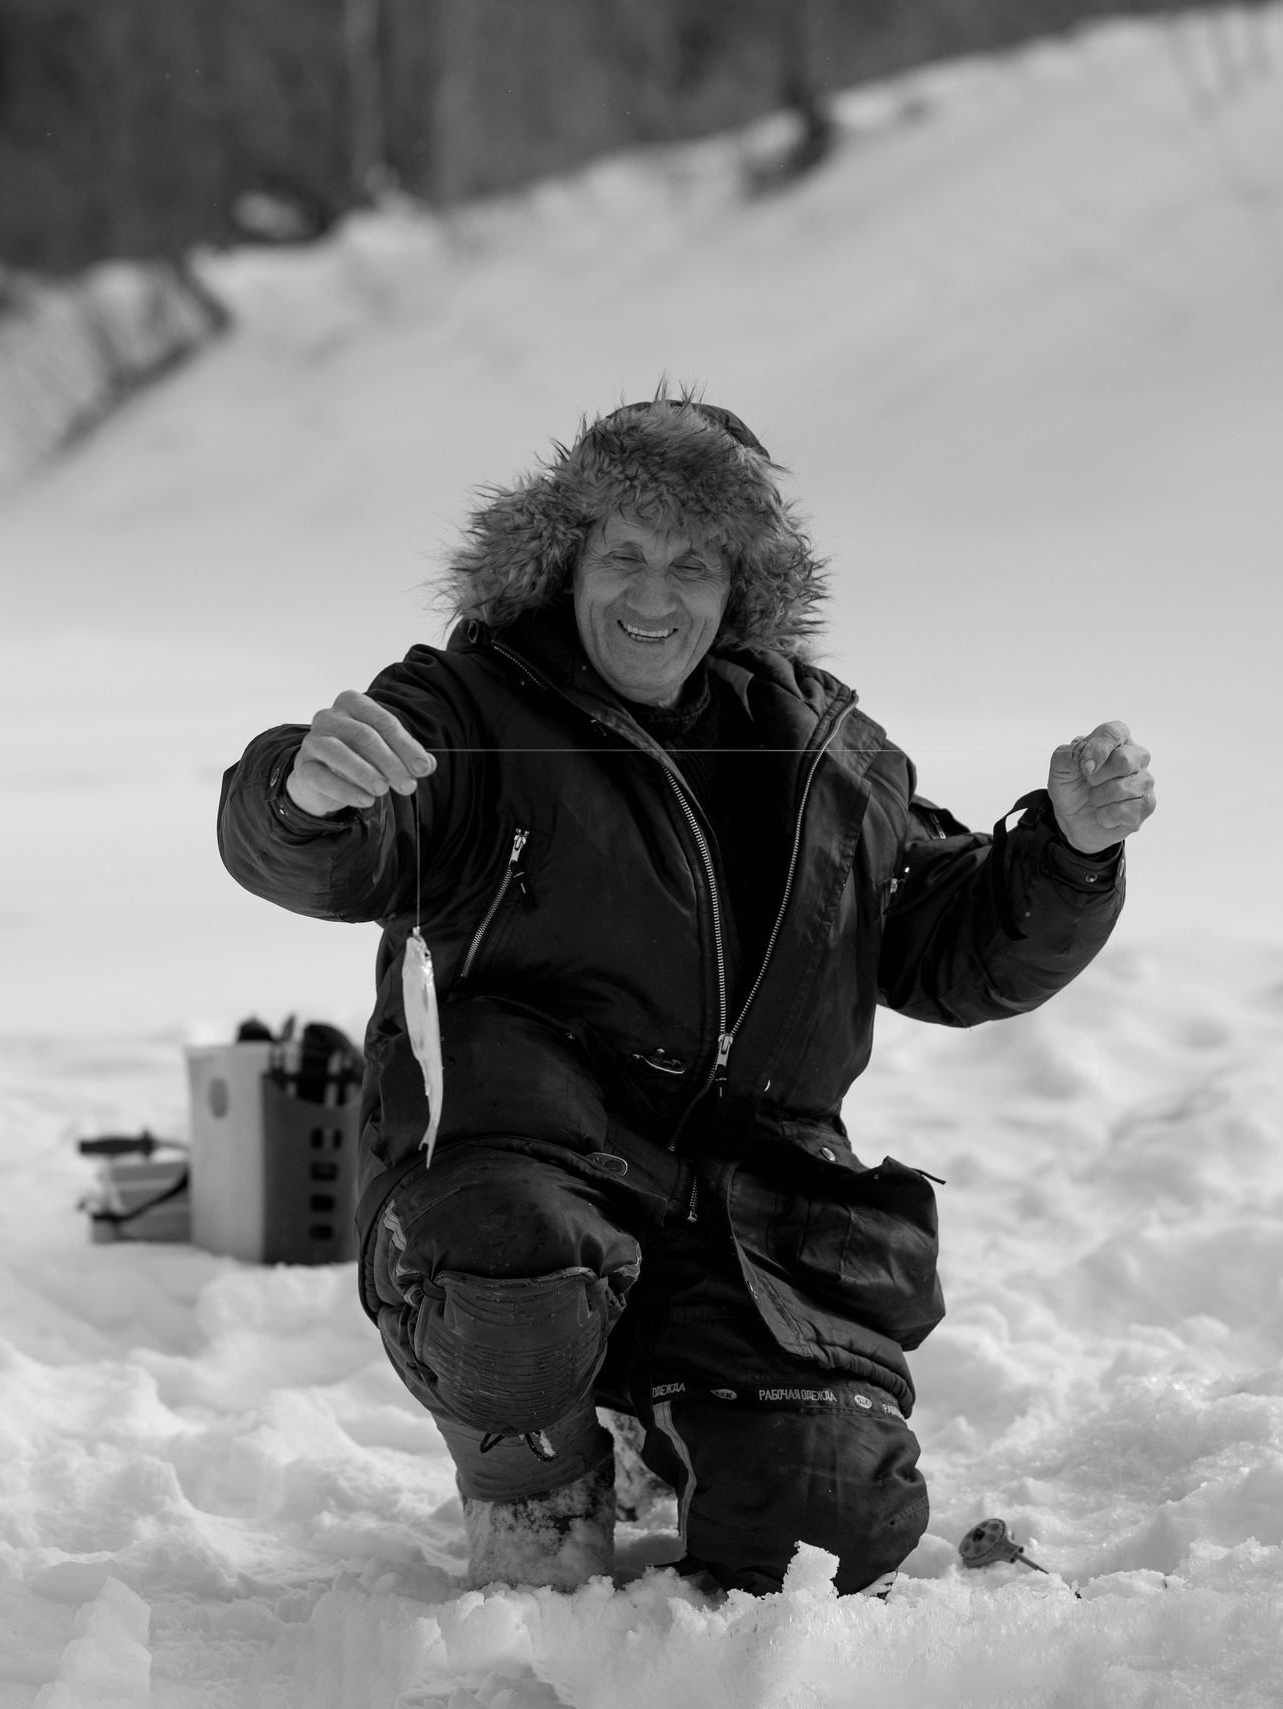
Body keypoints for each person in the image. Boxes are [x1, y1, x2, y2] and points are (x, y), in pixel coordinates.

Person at [217, 396, 1153, 1595]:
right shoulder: (468, 706)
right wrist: (303, 793)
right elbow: (330, 838)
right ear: (567, 559)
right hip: (525, 1169)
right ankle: (533, 1470)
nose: (650, 597)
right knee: (520, 1272)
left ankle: (664, 1430)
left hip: (748, 1216)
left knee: (828, 1530)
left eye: (689, 564)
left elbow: (951, 943)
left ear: (739, 589)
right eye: (623, 554)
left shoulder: (827, 755)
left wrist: (1066, 853)